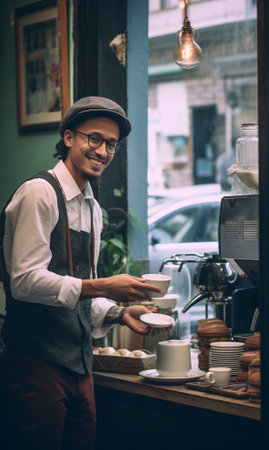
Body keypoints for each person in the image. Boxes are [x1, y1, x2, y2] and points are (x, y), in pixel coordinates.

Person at [0, 96, 163, 450]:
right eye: (95, 139)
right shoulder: (38, 193)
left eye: (111, 144)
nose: (103, 151)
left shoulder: (92, 208)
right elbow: (25, 281)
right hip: (34, 363)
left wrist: (120, 313)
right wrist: (105, 285)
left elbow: (76, 290)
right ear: (69, 138)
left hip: (80, 368)